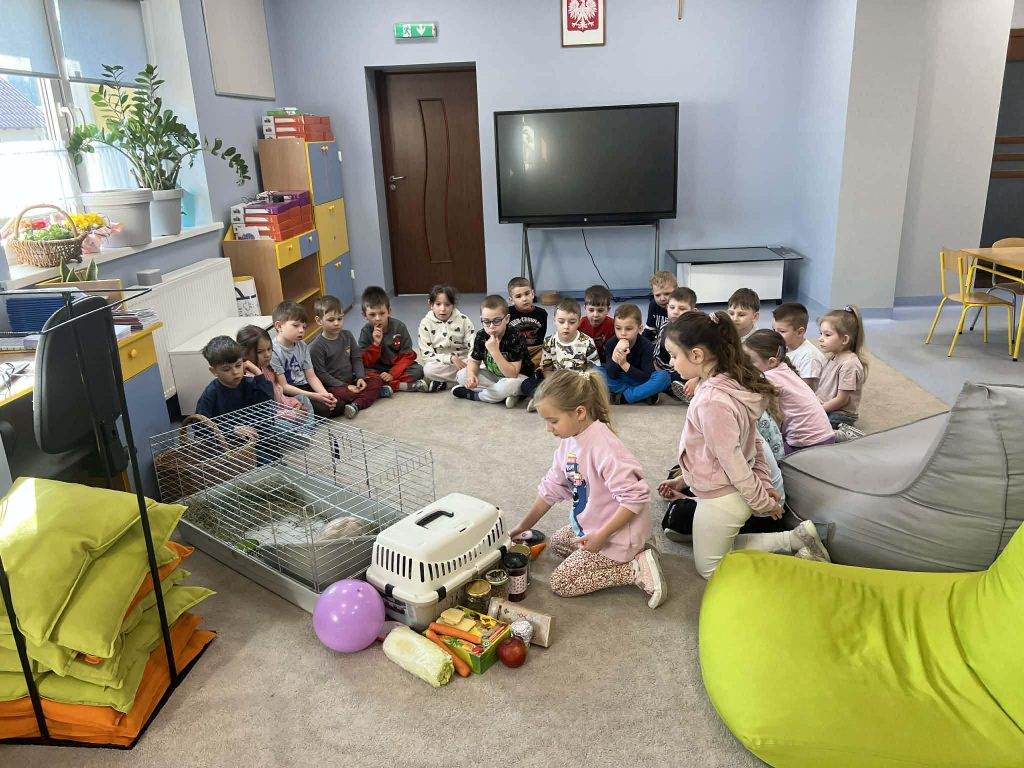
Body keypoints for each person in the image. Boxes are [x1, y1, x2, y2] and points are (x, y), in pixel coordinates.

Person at [656, 311, 830, 579]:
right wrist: (763, 485)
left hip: (723, 497)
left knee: (710, 570)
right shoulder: (728, 381)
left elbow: (733, 460)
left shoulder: (712, 401)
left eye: (673, 355)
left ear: (697, 355)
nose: (671, 362)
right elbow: (754, 440)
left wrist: (762, 500)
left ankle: (791, 548)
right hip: (722, 489)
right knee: (712, 545)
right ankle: (796, 538)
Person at [509, 369, 666, 608]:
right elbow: (551, 488)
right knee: (559, 542)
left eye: (553, 421)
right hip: (595, 523)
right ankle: (640, 547)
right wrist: (522, 527)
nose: (548, 429)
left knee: (562, 583)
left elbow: (635, 498)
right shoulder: (569, 442)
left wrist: (602, 536)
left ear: (580, 412)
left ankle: (635, 568)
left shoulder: (605, 449)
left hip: (616, 534)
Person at [744, 329, 834, 453]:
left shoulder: (769, 378)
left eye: (750, 362)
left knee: (759, 453)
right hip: (826, 437)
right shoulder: (784, 369)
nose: (745, 367)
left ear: (771, 362)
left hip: (808, 445)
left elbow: (774, 423)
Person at [311, 295, 391, 419]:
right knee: (341, 397)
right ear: (319, 321)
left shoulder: (347, 335)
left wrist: (360, 378)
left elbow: (356, 358)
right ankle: (368, 398)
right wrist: (345, 386)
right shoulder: (316, 346)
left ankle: (356, 404)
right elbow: (321, 374)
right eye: (331, 320)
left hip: (352, 380)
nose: (337, 323)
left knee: (377, 380)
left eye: (340, 318)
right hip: (334, 386)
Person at [452, 294, 534, 407]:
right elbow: (474, 361)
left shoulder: (515, 337)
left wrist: (495, 351)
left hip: (518, 377)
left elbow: (512, 374)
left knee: (507, 385)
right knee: (461, 375)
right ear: (481, 319)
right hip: (494, 376)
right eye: (486, 321)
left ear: (507, 319)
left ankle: (476, 395)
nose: (491, 326)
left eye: (497, 321)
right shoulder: (481, 335)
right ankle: (504, 394)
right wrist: (471, 375)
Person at [524, 298, 599, 412]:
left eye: (572, 322)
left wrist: (578, 382)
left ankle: (548, 401)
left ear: (579, 322)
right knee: (527, 384)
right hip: (557, 382)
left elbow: (593, 371)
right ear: (554, 320)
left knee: (592, 390)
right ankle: (551, 399)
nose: (566, 326)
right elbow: (547, 369)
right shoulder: (549, 341)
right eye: (561, 321)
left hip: (579, 383)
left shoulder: (587, 342)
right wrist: (554, 383)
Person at [359, 285, 438, 393]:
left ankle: (383, 385)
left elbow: (407, 356)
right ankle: (399, 386)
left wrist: (392, 374)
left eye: (382, 313)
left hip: (398, 367)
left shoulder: (399, 327)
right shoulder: (365, 331)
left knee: (418, 370)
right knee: (359, 373)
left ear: (389, 311)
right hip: (377, 369)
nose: (378, 318)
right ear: (364, 315)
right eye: (372, 315)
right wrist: (376, 345)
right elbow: (364, 362)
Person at [269, 301, 338, 417]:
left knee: (336, 403)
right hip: (290, 392)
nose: (301, 330)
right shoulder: (272, 350)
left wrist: (324, 395)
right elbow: (284, 386)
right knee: (324, 410)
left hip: (305, 387)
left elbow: (311, 376)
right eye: (296, 326)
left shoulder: (302, 345)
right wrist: (314, 396)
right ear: (279, 326)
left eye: (304, 327)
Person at [236, 324, 313, 424]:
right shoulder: (248, 379)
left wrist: (294, 405)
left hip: (282, 410)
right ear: (244, 354)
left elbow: (279, 396)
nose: (267, 355)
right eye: (260, 352)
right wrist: (292, 414)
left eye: (269, 349)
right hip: (270, 418)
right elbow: (266, 412)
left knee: (304, 401)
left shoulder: (266, 368)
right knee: (284, 425)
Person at [601, 303, 671, 405]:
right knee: (596, 371)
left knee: (664, 377)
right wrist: (616, 358)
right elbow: (612, 375)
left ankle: (624, 397)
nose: (623, 333)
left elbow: (646, 377)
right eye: (618, 328)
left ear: (640, 328)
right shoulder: (611, 343)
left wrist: (624, 365)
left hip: (639, 379)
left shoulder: (646, 345)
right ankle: (643, 394)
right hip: (620, 379)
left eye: (629, 329)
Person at [816, 305, 868, 439]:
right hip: (827, 406)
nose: (821, 338)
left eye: (827, 335)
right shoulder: (834, 356)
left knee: (812, 433)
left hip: (840, 414)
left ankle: (844, 434)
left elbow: (841, 400)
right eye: (820, 333)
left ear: (844, 339)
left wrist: (817, 410)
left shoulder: (850, 365)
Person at [194, 335, 273, 419]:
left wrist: (258, 373)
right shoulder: (211, 393)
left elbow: (269, 408)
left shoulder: (251, 383)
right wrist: (232, 427)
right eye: (226, 369)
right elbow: (199, 423)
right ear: (214, 371)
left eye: (238, 365)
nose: (235, 372)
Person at [417, 284, 475, 386]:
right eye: (438, 304)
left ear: (454, 304)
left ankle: (448, 383)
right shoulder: (425, 323)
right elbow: (427, 355)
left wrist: (471, 364)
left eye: (447, 304)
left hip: (464, 361)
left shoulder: (464, 320)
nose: (443, 309)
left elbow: (473, 345)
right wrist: (450, 359)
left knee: (483, 363)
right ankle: (461, 380)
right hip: (442, 363)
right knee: (428, 370)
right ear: (430, 304)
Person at [654, 286, 697, 401]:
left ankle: (682, 389)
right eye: (672, 307)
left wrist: (696, 378)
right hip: (667, 368)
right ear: (667, 307)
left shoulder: (697, 331)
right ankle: (672, 387)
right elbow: (657, 354)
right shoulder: (665, 326)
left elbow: (704, 359)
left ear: (693, 311)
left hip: (689, 370)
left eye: (682, 309)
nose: (676, 312)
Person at [772, 302, 827, 389]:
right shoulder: (785, 345)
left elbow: (805, 390)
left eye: (782, 331)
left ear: (800, 332)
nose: (775, 335)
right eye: (774, 330)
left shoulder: (810, 358)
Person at [507, 276, 548, 368]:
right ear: (511, 300)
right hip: (514, 349)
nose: (524, 299)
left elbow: (541, 336)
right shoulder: (507, 313)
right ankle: (522, 366)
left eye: (527, 294)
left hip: (535, 348)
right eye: (518, 296)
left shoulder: (542, 313)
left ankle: (527, 367)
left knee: (549, 350)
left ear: (532, 294)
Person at [579, 284, 615, 364]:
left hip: (607, 362)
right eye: (591, 310)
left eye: (600, 310)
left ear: (608, 310)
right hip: (586, 361)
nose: (595, 315)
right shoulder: (580, 324)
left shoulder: (613, 325)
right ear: (585, 308)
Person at [643, 270, 677, 341]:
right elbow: (650, 330)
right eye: (657, 295)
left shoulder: (682, 307)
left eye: (667, 294)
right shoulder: (653, 305)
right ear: (653, 293)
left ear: (676, 290)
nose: (662, 299)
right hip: (660, 342)